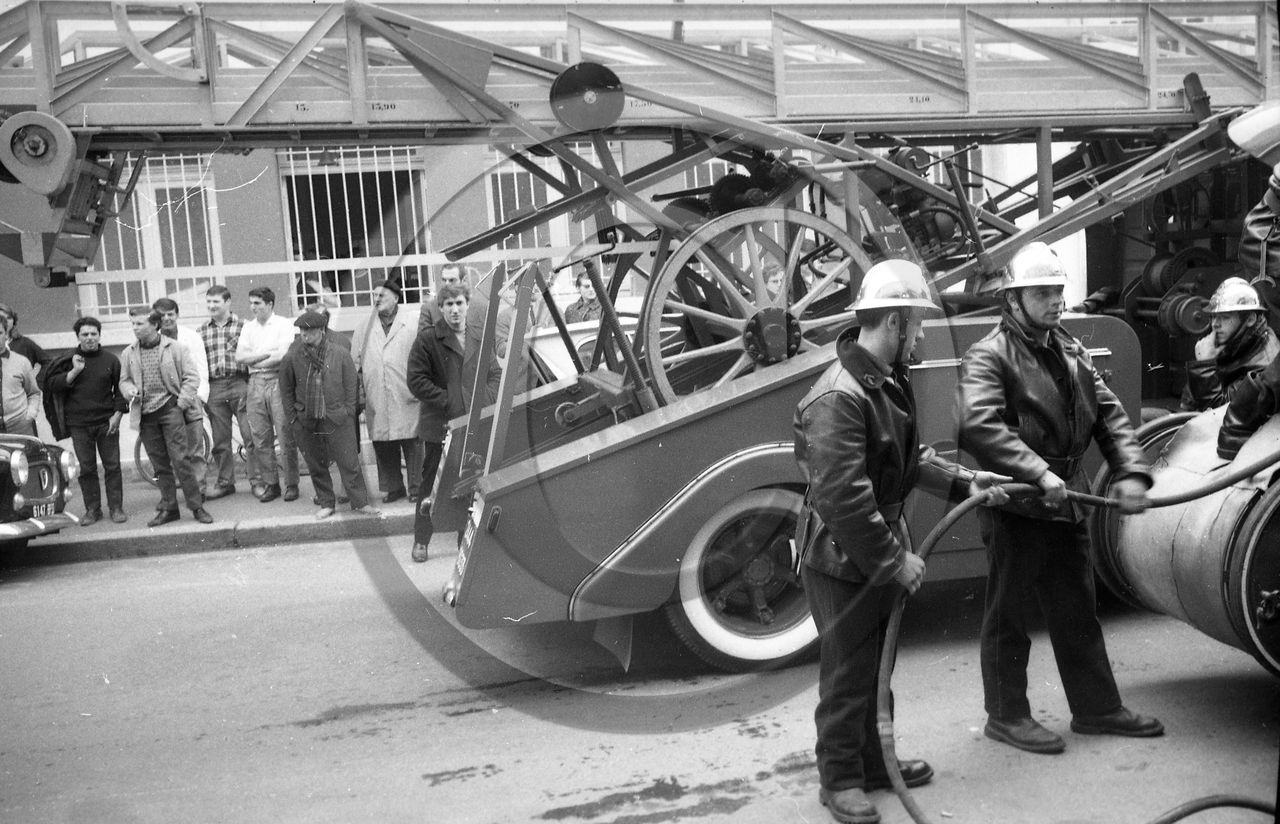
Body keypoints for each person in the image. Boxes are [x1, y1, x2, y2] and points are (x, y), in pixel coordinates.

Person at [795, 259, 1008, 824]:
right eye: (917, 325)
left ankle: (871, 764)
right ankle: (839, 780)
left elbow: (906, 460)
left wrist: (967, 479)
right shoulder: (840, 396)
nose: (921, 336)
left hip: (870, 545)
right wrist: (894, 563)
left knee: (873, 667)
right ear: (893, 321)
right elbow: (844, 500)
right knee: (848, 671)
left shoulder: (883, 380)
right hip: (843, 556)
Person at [957, 241, 1163, 756]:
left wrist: (1131, 471)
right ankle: (1006, 717)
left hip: (1062, 498)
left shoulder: (1068, 348)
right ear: (1014, 300)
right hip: (1017, 504)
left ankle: (1096, 709)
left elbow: (1110, 413)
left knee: (1077, 608)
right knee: (1008, 617)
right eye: (1043, 293)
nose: (1055, 301)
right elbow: (978, 424)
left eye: (1058, 291)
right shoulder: (989, 355)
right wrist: (1037, 471)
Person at [406, 283, 500, 562]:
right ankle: (421, 541)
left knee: (469, 484)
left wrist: (480, 402)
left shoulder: (478, 337)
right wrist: (451, 400)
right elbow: (416, 381)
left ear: (467, 304)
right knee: (430, 485)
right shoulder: (428, 338)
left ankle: (464, 542)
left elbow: (494, 374)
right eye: (448, 305)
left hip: (473, 425)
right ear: (440, 308)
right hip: (440, 427)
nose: (455, 310)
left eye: (459, 303)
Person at [279, 310, 380, 520]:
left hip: (337, 417)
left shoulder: (339, 353)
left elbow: (352, 384)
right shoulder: (293, 356)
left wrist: (349, 412)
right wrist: (293, 419)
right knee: (316, 463)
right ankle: (326, 503)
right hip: (306, 419)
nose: (304, 335)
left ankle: (360, 502)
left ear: (321, 331)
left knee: (349, 461)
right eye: (302, 330)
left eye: (309, 330)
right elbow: (286, 389)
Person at [119, 306, 212, 527]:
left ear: (154, 325)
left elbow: (192, 378)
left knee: (181, 460)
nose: (135, 328)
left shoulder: (175, 348)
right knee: (159, 465)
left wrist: (180, 405)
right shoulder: (128, 353)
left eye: (139, 324)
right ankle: (170, 507)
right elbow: (124, 380)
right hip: (146, 415)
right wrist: (129, 389)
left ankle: (196, 507)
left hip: (171, 411)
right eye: (133, 324)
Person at [42, 317, 128, 525]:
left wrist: (117, 415)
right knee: (87, 469)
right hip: (79, 424)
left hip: (107, 422)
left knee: (113, 467)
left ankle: (116, 508)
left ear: (99, 335)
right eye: (85, 334)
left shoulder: (111, 360)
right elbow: (52, 386)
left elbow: (120, 390)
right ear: (78, 337)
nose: (90, 338)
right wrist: (75, 371)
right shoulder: (67, 360)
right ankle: (92, 510)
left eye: (93, 334)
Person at [352, 280, 422, 503]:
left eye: (382, 295)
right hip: (377, 395)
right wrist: (361, 396)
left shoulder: (413, 322)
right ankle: (394, 487)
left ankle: (417, 487)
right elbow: (355, 363)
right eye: (374, 295)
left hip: (407, 392)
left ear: (396, 298)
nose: (377, 299)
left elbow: (425, 357)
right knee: (383, 444)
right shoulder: (364, 326)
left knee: (413, 442)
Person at [235, 287, 300, 503]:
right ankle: (272, 484)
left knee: (284, 433)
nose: (253, 307)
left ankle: (291, 484)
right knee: (260, 437)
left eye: (257, 303)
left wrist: (254, 358)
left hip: (277, 381)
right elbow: (239, 357)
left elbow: (282, 356)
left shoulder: (283, 324)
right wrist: (263, 356)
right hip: (254, 383)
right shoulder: (248, 327)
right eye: (251, 303)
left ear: (270, 304)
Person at [1179, 277, 1279, 411]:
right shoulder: (1233, 341)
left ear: (1250, 319)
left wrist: (1204, 365)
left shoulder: (1265, 364)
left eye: (1225, 317)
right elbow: (1188, 405)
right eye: (1214, 316)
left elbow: (1225, 413)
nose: (1215, 324)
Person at [200, 285, 257, 500]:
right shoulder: (202, 331)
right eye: (209, 302)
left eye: (216, 302)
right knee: (220, 440)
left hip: (239, 383)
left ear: (227, 302)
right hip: (214, 387)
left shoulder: (245, 327)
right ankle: (225, 483)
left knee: (250, 435)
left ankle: (257, 481)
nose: (212, 306)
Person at [154, 297, 210, 493]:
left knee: (195, 449)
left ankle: (199, 491)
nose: (167, 318)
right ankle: (180, 492)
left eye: (171, 314)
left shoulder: (191, 337)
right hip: (165, 402)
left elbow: (201, 367)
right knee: (172, 451)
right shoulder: (152, 340)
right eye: (162, 315)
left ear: (177, 315)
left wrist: (200, 397)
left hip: (191, 398)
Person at [0, 321, 41, 436]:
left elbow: (34, 393)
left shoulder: (21, 362)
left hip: (20, 428)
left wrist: (30, 415)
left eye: (0, 333)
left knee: (22, 455)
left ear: (6, 335)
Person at [0, 302, 50, 375]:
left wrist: (37, 382)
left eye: (9, 318)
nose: (6, 321)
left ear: (14, 320)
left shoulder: (25, 343)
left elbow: (48, 362)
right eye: (1, 318)